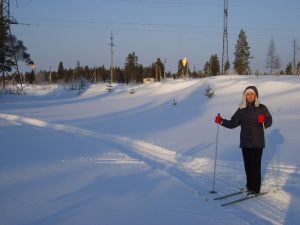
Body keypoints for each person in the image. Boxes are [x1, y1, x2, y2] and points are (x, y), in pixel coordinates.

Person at [215, 86, 272, 195]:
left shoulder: (262, 108)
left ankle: (255, 189)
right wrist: (221, 121)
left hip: (257, 142)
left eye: (252, 94)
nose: (250, 96)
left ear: (256, 96)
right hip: (245, 142)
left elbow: (269, 121)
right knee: (248, 166)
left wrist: (264, 120)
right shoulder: (241, 109)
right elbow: (233, 123)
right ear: (245, 96)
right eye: (248, 94)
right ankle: (249, 186)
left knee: (255, 166)